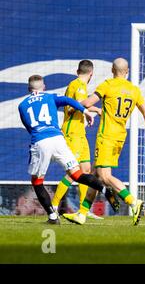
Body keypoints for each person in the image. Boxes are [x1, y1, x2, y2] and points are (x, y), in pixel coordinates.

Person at [63, 57, 145, 226]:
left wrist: (69, 103)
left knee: (104, 175)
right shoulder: (134, 90)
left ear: (112, 71)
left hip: (106, 136)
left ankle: (132, 202)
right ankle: (82, 214)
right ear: (127, 72)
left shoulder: (107, 84)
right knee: (94, 175)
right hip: (120, 137)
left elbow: (87, 102)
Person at [18, 75, 119, 224]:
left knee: (37, 182)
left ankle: (53, 216)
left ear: (29, 89)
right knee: (77, 174)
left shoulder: (22, 105)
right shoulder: (50, 97)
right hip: (58, 139)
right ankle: (105, 190)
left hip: (40, 141)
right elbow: (69, 101)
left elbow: (29, 127)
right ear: (43, 87)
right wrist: (84, 112)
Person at [51, 60, 103, 219]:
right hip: (72, 133)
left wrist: (92, 110)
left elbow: (78, 105)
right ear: (91, 74)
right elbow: (79, 105)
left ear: (77, 70)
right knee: (73, 172)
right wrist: (94, 109)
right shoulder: (79, 85)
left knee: (86, 170)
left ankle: (83, 211)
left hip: (80, 133)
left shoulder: (75, 84)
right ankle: (53, 205)